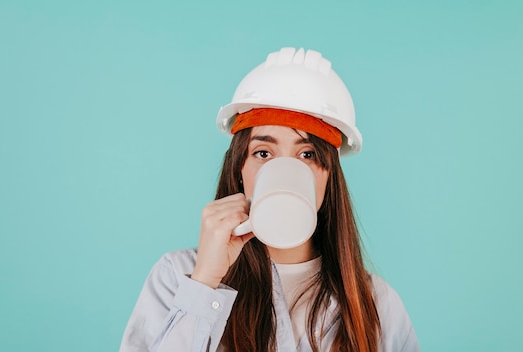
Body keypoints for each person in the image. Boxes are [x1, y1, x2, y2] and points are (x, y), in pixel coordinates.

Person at [120, 47, 419, 352]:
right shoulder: (178, 277)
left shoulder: (376, 305)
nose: (285, 170)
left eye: (307, 154)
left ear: (329, 176)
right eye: (263, 153)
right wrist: (205, 281)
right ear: (240, 170)